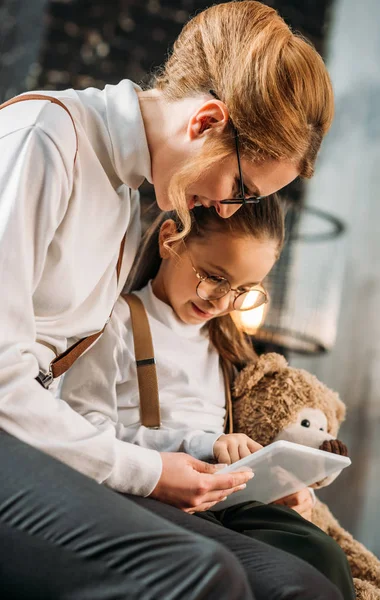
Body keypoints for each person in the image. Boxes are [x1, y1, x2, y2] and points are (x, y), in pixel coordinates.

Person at [0, 1, 338, 598]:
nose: (228, 211)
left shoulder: (129, 201)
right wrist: (148, 471)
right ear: (206, 121)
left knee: (296, 583)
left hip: (33, 441)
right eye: (239, 188)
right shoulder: (44, 138)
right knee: (203, 574)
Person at [60, 200, 355, 600]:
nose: (221, 302)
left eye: (243, 291)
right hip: (150, 494)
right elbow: (84, 432)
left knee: (318, 550)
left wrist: (285, 483)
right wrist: (202, 443)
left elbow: (248, 437)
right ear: (169, 240)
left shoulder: (223, 343)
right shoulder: (116, 321)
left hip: (226, 498)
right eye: (214, 276)